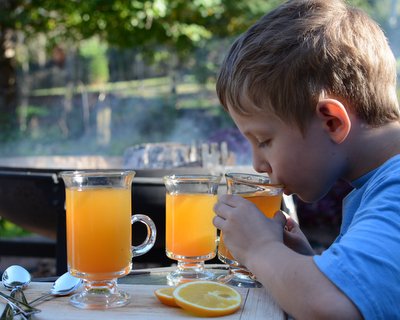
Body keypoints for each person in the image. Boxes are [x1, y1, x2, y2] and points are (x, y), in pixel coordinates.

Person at [212, 0, 400, 319]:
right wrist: (307, 265)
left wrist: (261, 250)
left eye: (264, 141)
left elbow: (331, 307)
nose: (258, 163)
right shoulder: (377, 184)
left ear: (332, 122)